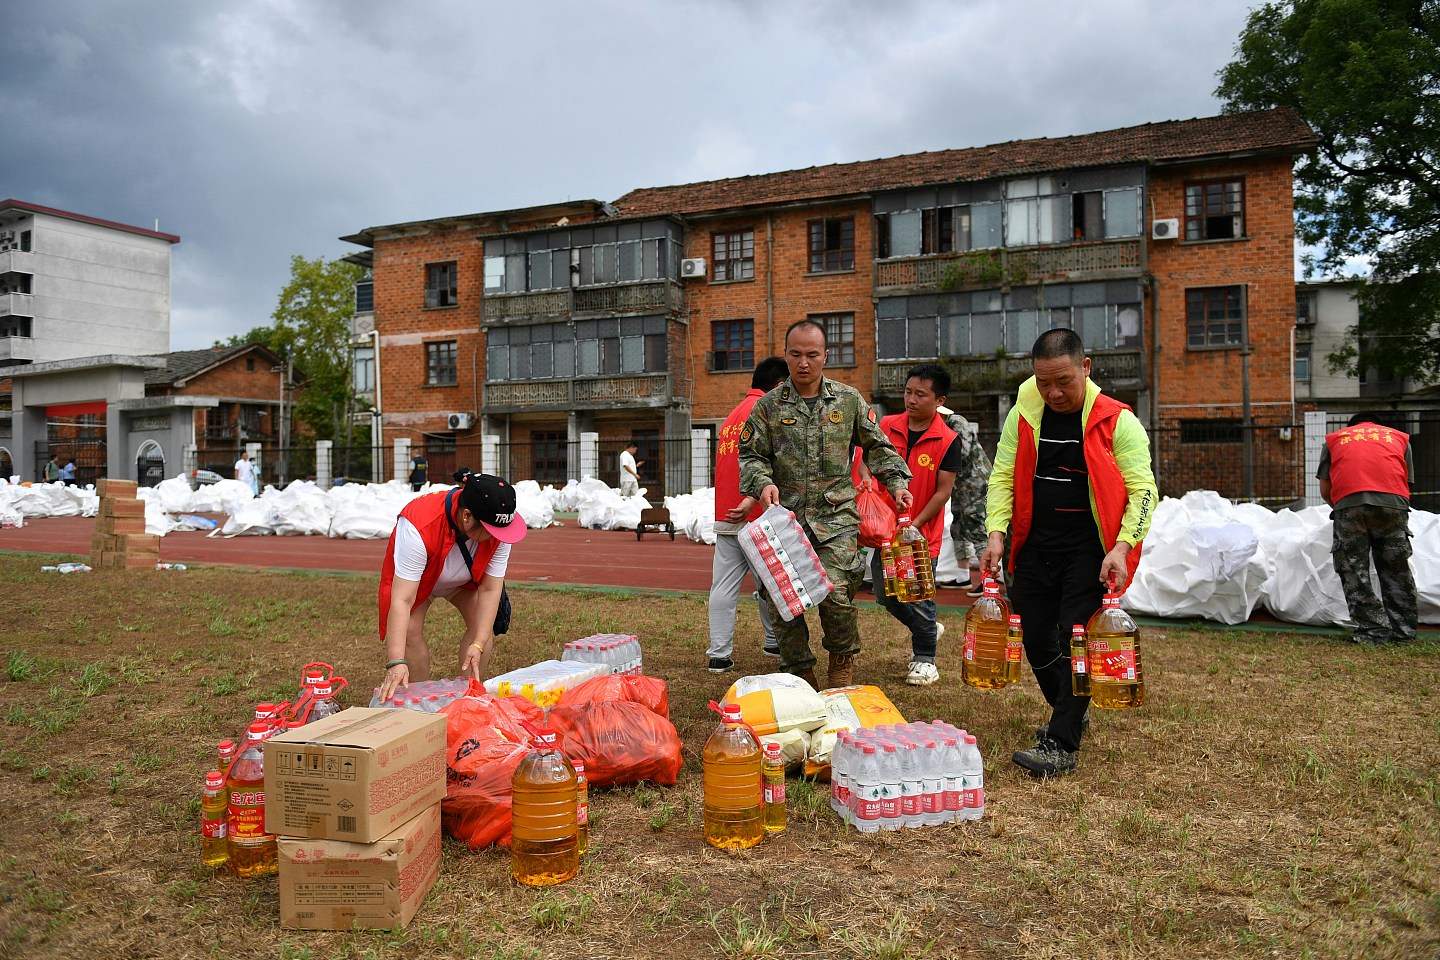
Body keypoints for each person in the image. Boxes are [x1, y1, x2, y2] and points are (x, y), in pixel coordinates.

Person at [980, 328, 1156, 778]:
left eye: (1063, 381)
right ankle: (1073, 709)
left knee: (1074, 637)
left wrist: (1120, 547)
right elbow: (1002, 474)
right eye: (1043, 383)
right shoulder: (1023, 414)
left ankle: (1060, 742)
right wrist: (996, 532)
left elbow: (1143, 492)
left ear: (1086, 368)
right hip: (1035, 544)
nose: (1054, 392)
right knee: (1036, 639)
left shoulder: (1118, 421)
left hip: (1091, 551)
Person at [740, 319, 913, 690]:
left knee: (836, 592)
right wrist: (764, 482)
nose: (804, 363)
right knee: (782, 598)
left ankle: (841, 658)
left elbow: (878, 446)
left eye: (812, 355)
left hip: (836, 518)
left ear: (825, 356)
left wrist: (896, 483)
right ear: (786, 355)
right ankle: (799, 669)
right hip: (784, 520)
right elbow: (751, 456)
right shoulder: (768, 407)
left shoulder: (848, 401)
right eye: (796, 354)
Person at [377, 471, 527, 703]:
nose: (498, 538)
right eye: (491, 532)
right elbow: (402, 600)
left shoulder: (499, 530)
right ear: (467, 516)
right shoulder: (418, 524)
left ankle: (467, 698)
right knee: (409, 630)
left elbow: (490, 589)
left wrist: (478, 643)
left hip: (463, 581)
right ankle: (415, 701)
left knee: (482, 629)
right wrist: (396, 661)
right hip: (421, 581)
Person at [855, 363, 961, 687]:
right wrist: (866, 483)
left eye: (920, 394)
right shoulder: (886, 424)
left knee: (917, 595)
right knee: (886, 595)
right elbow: (864, 462)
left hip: (920, 535)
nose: (911, 399)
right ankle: (927, 627)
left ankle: (925, 659)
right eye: (907, 391)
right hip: (884, 533)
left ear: (939, 400)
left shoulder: (948, 439)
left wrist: (912, 525)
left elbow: (943, 492)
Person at [706, 356, 788, 673]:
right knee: (775, 583)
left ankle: (719, 654)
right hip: (760, 513)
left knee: (724, 586)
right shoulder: (769, 411)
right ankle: (776, 642)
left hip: (728, 514)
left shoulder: (731, 417)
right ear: (780, 385)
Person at [1318, 413, 1417, 645]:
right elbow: (1406, 482)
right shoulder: (1400, 438)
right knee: (1396, 568)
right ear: (1379, 426)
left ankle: (1372, 632)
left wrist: (1343, 508)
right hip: (1393, 505)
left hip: (1350, 505)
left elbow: (1325, 488)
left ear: (1350, 427)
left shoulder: (1335, 439)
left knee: (1354, 568)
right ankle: (1403, 632)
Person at [938, 404, 992, 596]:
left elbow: (962, 452)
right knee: (958, 528)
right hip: (959, 486)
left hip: (976, 484)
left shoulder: (957, 422)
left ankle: (989, 581)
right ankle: (963, 578)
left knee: (977, 529)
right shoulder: (941, 427)